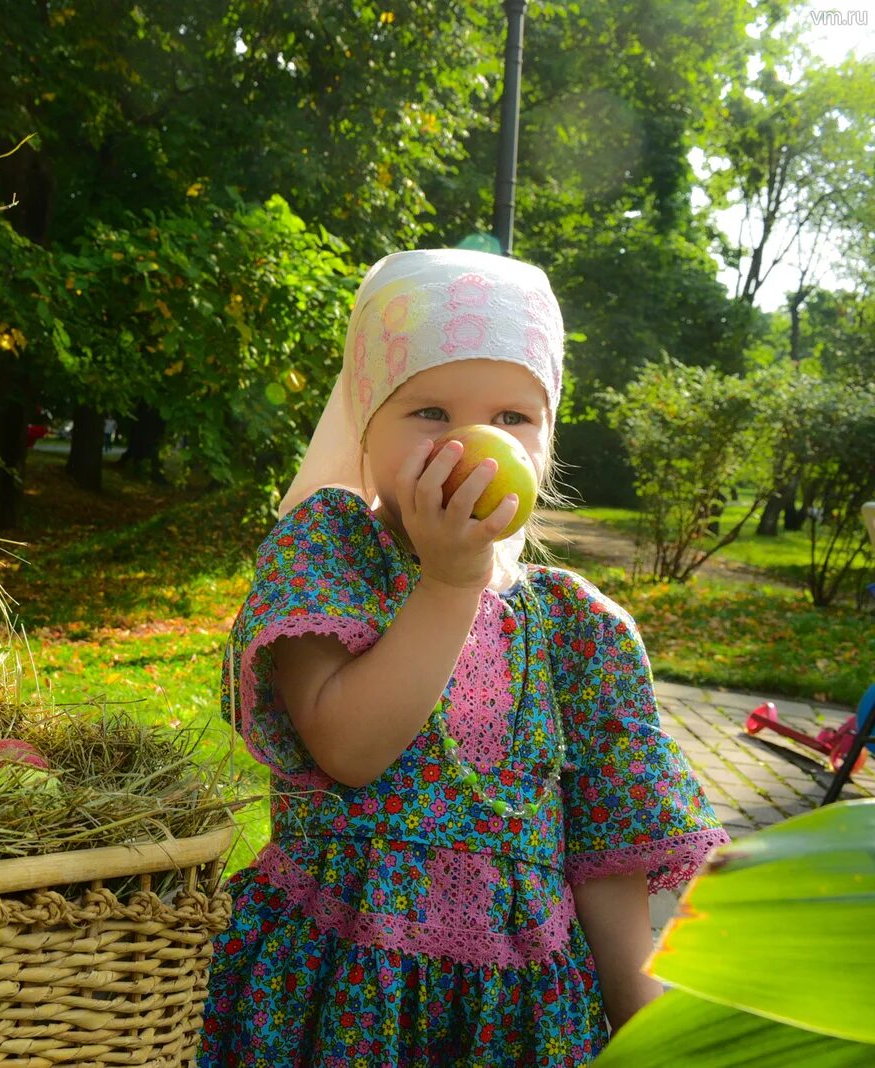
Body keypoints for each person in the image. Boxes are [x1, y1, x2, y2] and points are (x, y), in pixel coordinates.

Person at [198, 249, 728, 1067]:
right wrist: (449, 585)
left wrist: (640, 1022)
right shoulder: (330, 555)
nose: (472, 443)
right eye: (431, 411)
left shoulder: (577, 630)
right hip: (338, 986)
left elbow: (605, 852)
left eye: (513, 417)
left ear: (547, 438)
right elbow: (349, 748)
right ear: (366, 423)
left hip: (518, 1013)